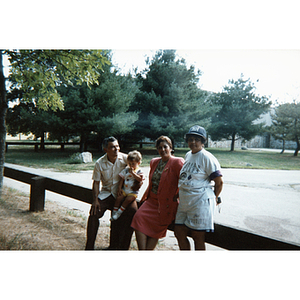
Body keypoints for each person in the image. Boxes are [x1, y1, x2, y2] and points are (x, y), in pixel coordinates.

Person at [174, 125, 223, 250]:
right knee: (178, 231)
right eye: (190, 139)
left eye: (197, 139)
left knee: (197, 237)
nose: (193, 142)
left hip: (200, 201)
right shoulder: (188, 155)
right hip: (185, 201)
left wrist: (215, 198)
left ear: (203, 141)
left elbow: (219, 182)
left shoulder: (207, 157)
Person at [131, 136, 184, 250]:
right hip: (151, 201)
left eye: (165, 147)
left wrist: (178, 195)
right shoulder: (154, 162)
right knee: (138, 218)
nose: (162, 150)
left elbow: (185, 182)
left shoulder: (177, 162)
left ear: (170, 148)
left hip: (166, 204)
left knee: (156, 229)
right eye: (159, 148)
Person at [85, 136, 137, 250]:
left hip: (123, 194)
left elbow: (136, 168)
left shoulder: (125, 159)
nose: (116, 149)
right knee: (94, 213)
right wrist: (95, 200)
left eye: (117, 146)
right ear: (105, 150)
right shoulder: (99, 163)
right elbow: (96, 183)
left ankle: (121, 248)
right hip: (106, 193)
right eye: (112, 147)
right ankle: (89, 247)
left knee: (133, 211)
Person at [111, 150, 144, 221]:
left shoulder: (139, 171)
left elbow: (140, 179)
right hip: (125, 189)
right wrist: (119, 188)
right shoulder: (126, 170)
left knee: (127, 200)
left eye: (133, 163)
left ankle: (119, 212)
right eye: (129, 163)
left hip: (133, 192)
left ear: (138, 163)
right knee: (118, 198)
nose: (131, 165)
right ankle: (114, 212)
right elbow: (122, 179)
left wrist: (133, 173)